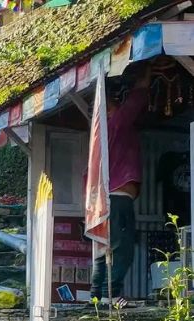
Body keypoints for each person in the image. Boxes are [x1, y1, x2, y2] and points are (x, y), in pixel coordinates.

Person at [89, 67, 150, 302]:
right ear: (108, 110)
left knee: (103, 250)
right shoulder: (115, 125)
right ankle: (109, 295)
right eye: (113, 104)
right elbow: (136, 101)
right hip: (118, 200)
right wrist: (146, 76)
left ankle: (98, 296)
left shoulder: (99, 139)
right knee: (121, 249)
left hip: (102, 202)